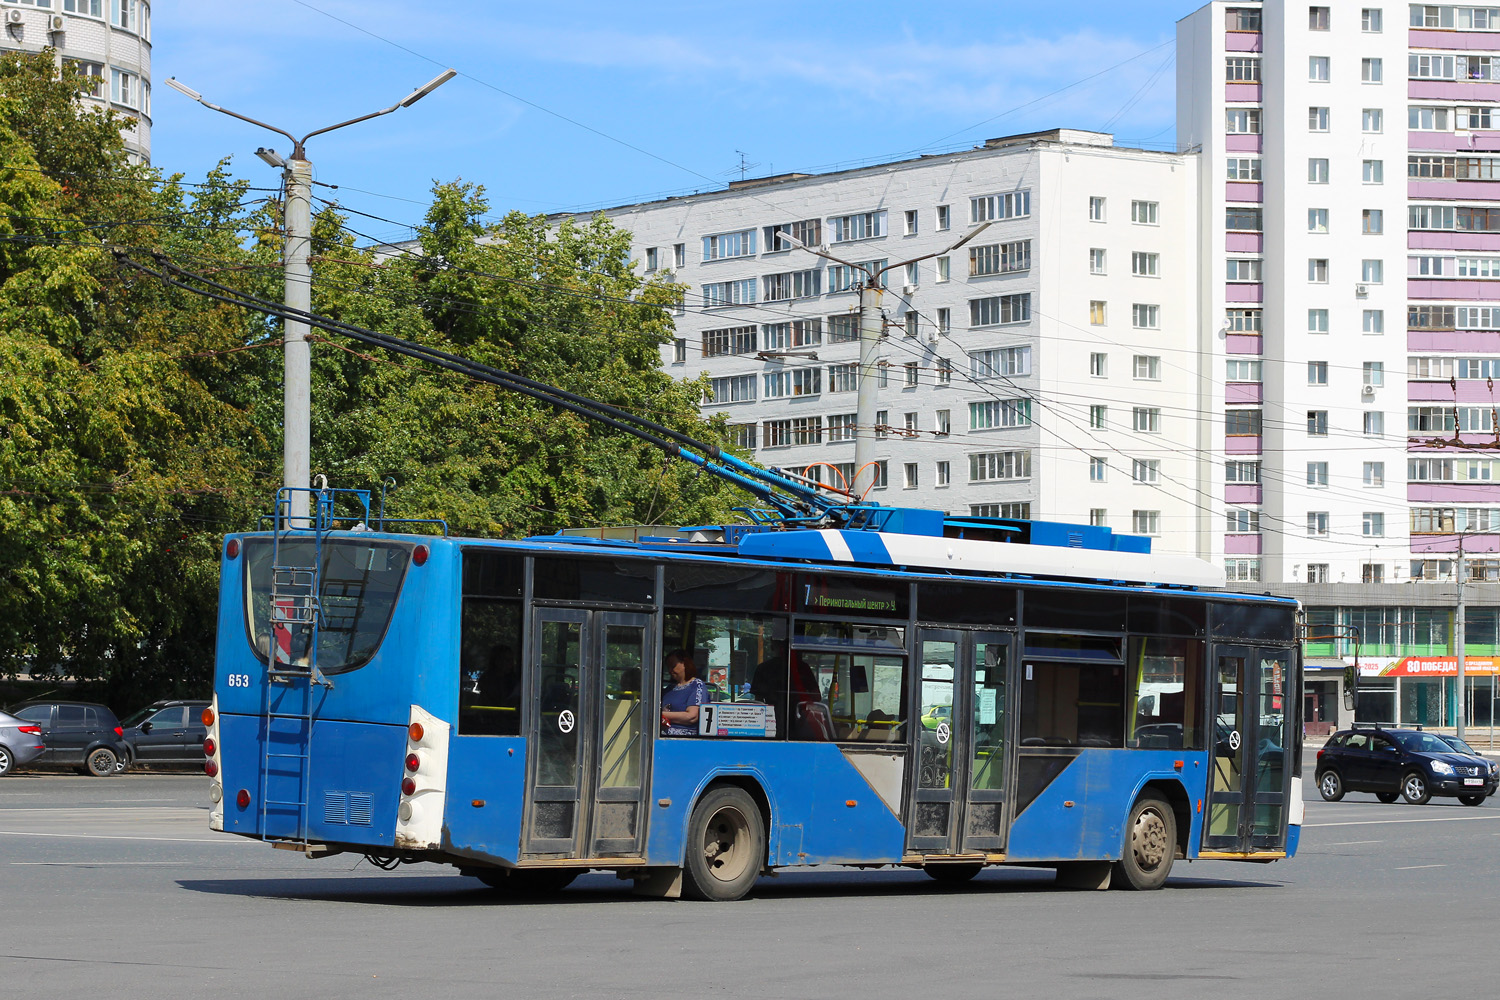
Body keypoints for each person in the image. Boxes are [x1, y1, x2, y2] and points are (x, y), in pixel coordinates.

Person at [660, 649, 708, 736]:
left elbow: (692, 716)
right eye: (668, 667)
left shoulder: (696, 685)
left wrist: (660, 715)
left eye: (673, 666)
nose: (670, 670)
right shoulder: (669, 688)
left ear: (685, 664)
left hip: (683, 738)